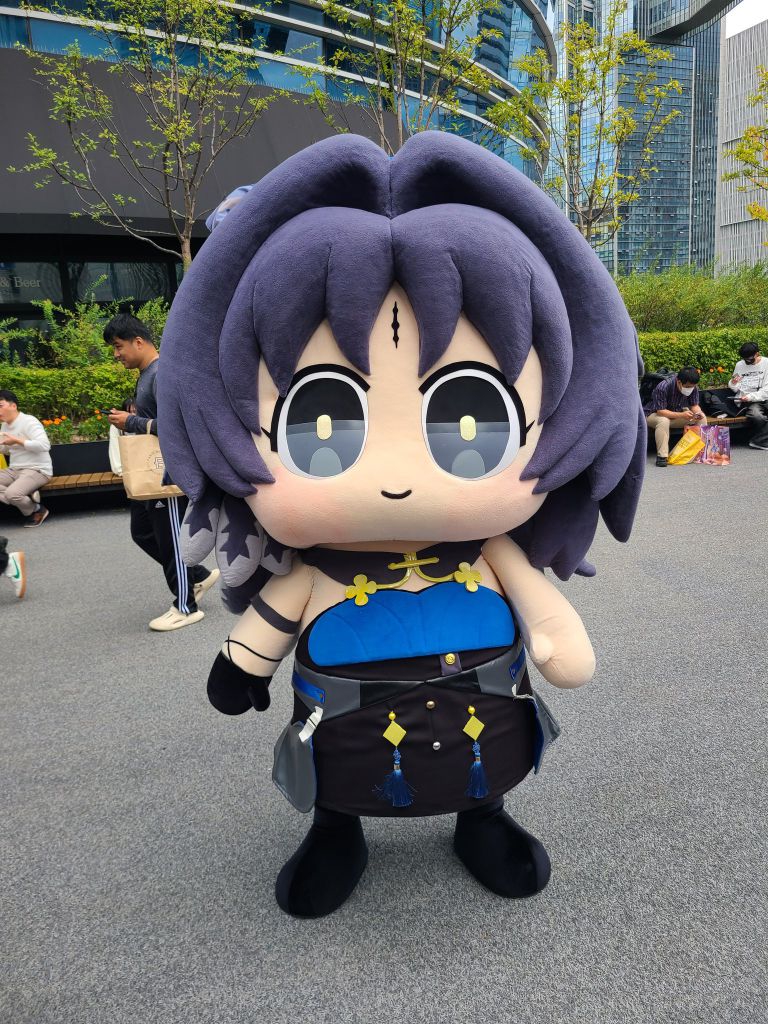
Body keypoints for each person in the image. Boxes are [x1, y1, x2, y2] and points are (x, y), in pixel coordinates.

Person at [159, 132, 645, 918]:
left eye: (472, 417)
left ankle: (482, 819)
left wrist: (559, 637)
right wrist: (242, 665)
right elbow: (274, 617)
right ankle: (336, 831)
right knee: (339, 778)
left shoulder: (490, 550)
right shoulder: (314, 567)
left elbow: (552, 625)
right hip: (347, 729)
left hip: (483, 724)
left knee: (484, 768)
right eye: (319, 421)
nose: (394, 476)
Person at [103, 314, 219, 631]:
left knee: (170, 539)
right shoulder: (148, 375)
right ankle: (197, 576)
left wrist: (131, 422)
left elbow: (178, 426)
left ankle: (185, 606)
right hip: (153, 473)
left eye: (118, 346)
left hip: (166, 472)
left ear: (139, 341)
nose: (116, 354)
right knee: (142, 532)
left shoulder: (161, 375)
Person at [0, 390, 52, 526]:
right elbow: (7, 450)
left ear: (13, 406)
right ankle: (31, 501)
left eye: (0, 406)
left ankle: (37, 510)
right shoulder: (4, 425)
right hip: (15, 469)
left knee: (12, 494)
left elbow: (44, 445)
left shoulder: (29, 421)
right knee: (12, 493)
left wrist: (17, 440)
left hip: (37, 469)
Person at [708, 342, 768, 450]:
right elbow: (735, 388)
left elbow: (766, 390)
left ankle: (759, 440)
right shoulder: (740, 365)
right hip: (747, 401)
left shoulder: (766, 363)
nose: (747, 361)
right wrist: (733, 382)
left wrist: (751, 396)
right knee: (756, 415)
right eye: (745, 359)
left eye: (750, 359)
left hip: (762, 397)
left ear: (757, 354)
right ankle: (761, 441)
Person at [644, 367, 706, 467]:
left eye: (692, 387)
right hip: (653, 415)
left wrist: (699, 413)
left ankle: (700, 451)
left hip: (676, 415)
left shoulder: (693, 387)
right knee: (663, 420)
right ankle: (662, 456)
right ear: (679, 381)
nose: (690, 389)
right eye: (687, 386)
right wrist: (682, 415)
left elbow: (694, 405)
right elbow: (661, 411)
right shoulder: (663, 386)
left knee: (702, 418)